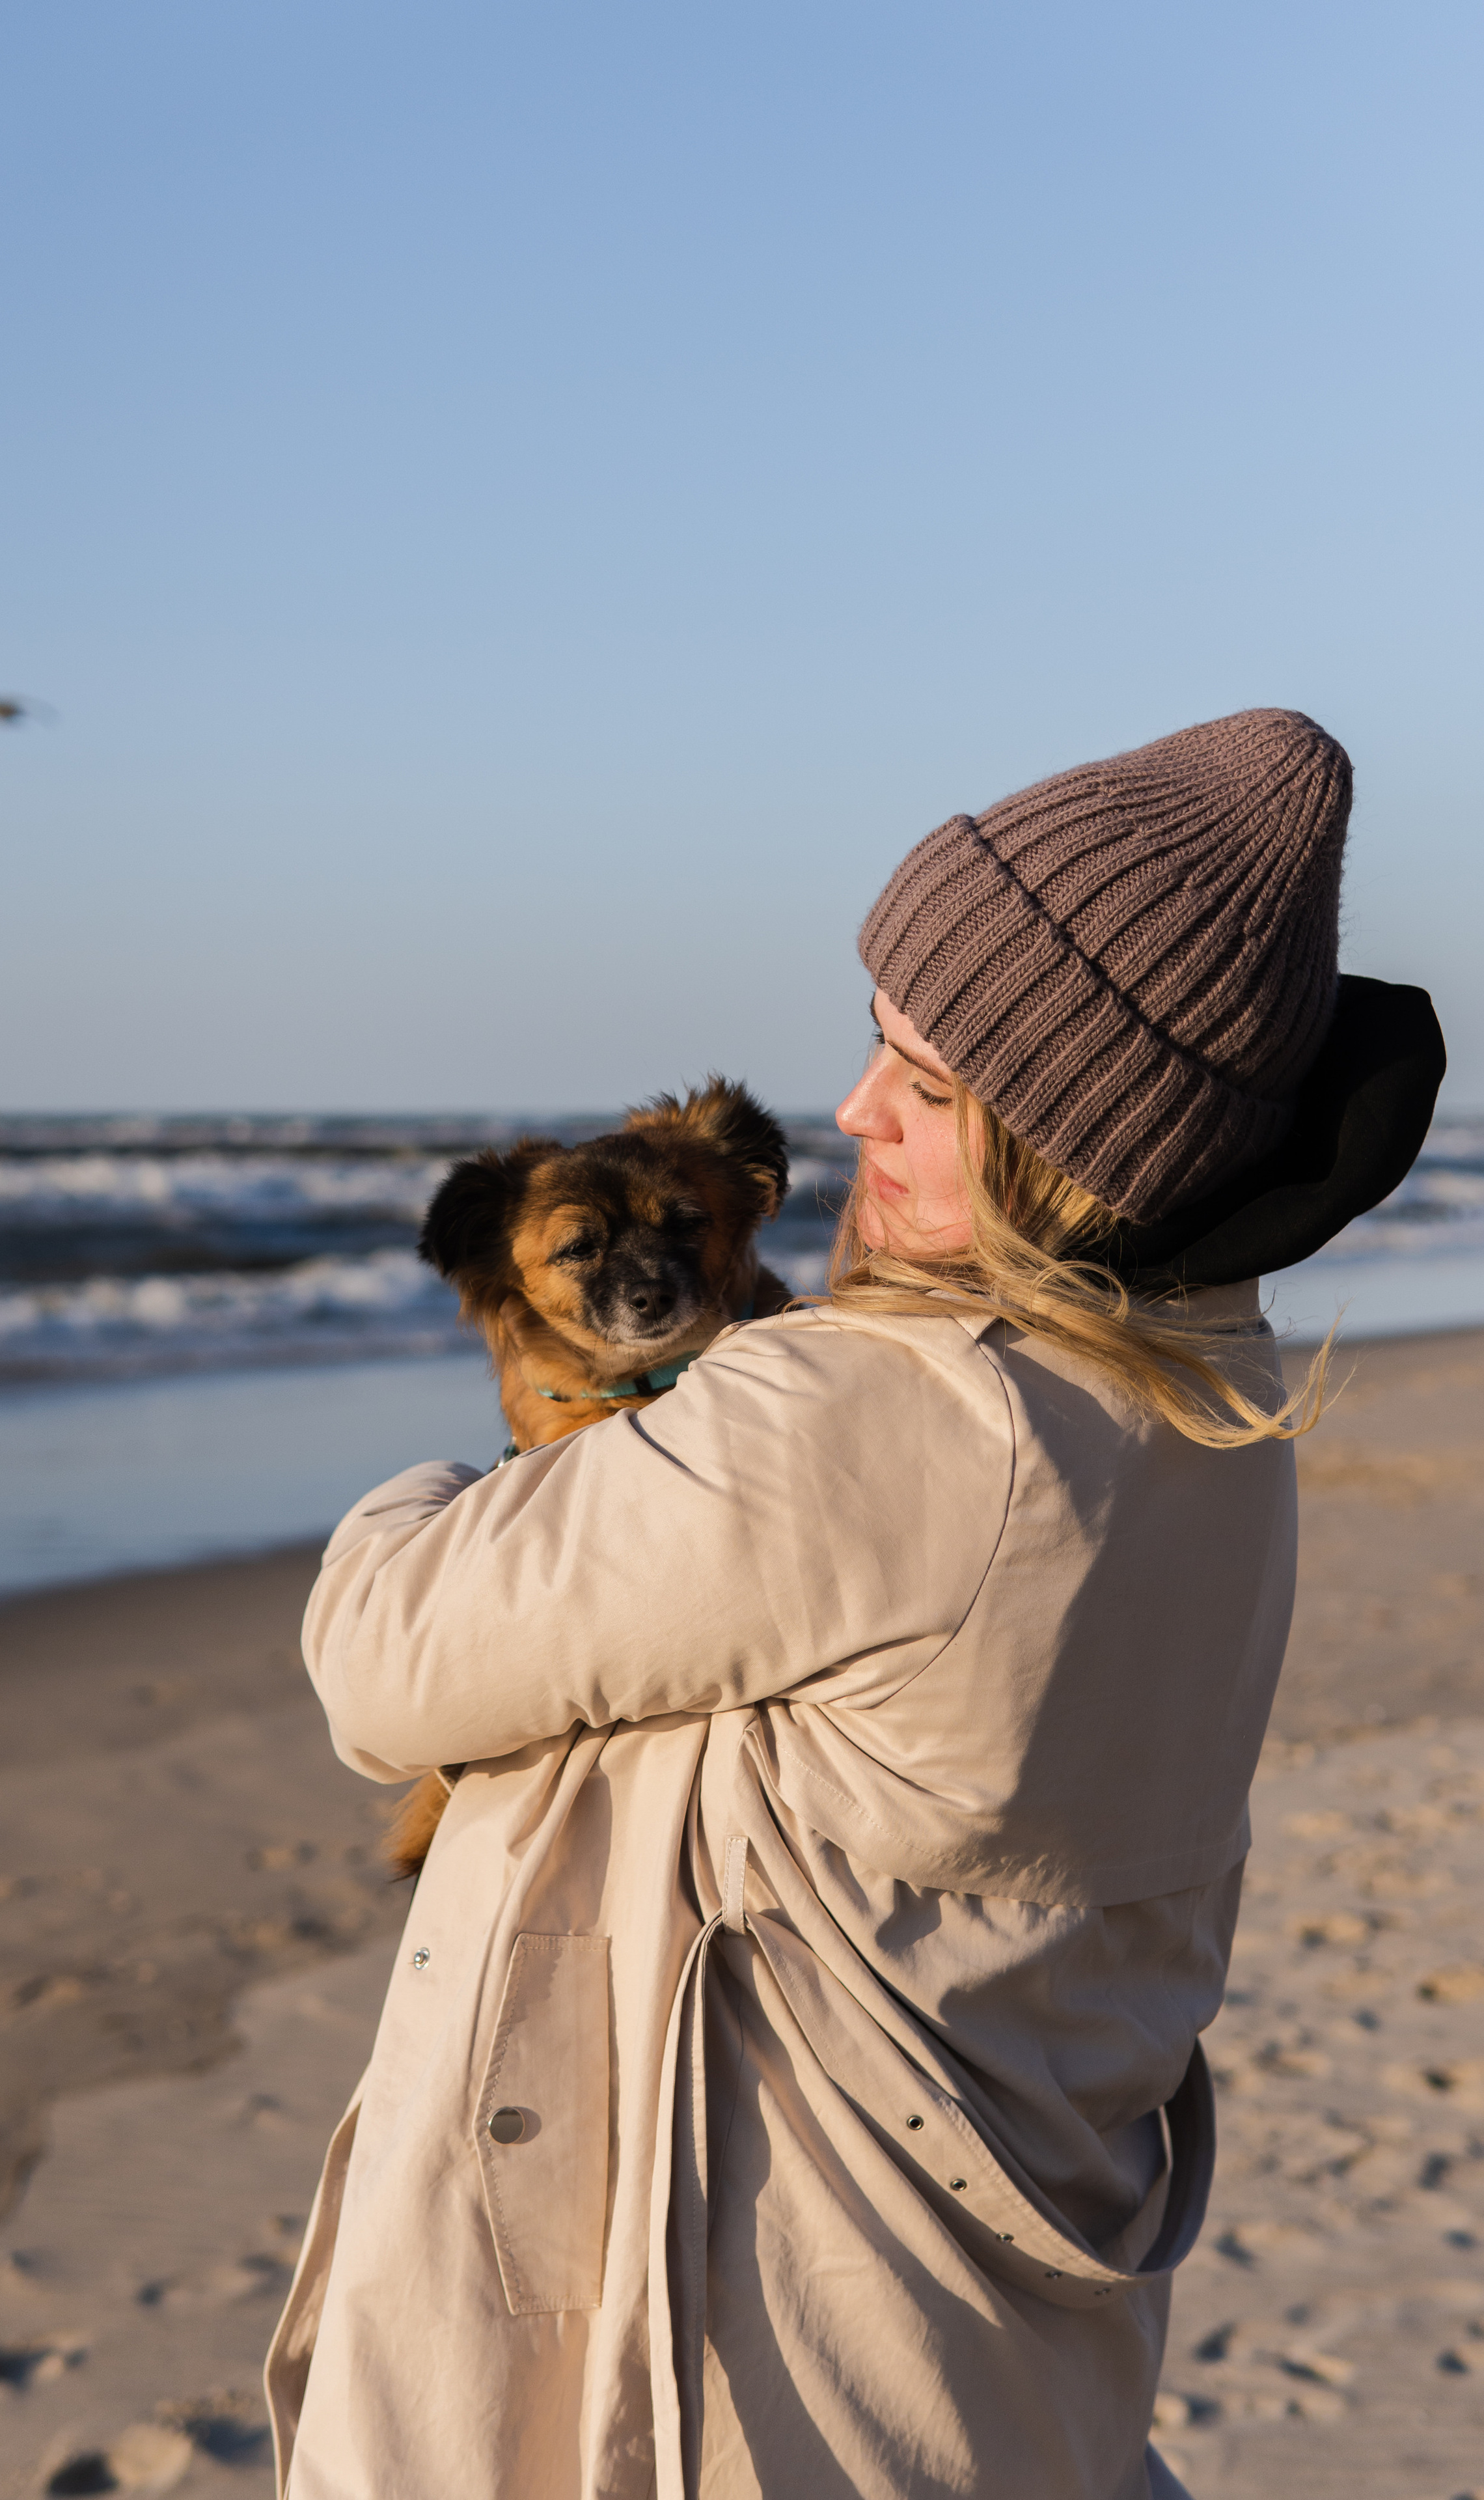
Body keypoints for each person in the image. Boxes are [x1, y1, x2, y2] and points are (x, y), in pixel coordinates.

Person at [265, 709, 1443, 2499]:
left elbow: (381, 1661)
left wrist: (455, 1488)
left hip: (739, 2382)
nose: (850, 1114)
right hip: (983, 2363)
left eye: (931, 1085)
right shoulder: (1211, 1404)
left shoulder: (886, 1414)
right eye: (874, 1040)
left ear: (1077, 1145)